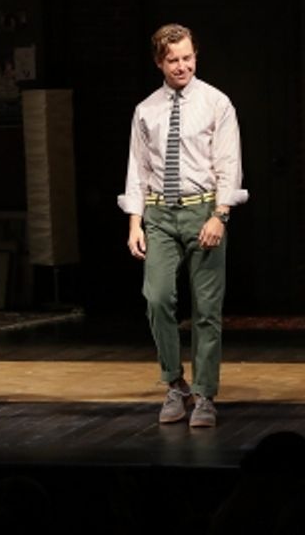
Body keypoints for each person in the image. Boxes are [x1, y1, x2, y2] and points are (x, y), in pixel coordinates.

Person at [120, 23, 246, 428]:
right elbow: (137, 169)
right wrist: (134, 223)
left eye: (187, 57)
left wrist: (220, 214)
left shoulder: (216, 103)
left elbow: (228, 162)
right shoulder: (147, 109)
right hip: (159, 214)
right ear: (159, 61)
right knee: (157, 298)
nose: (181, 66)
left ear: (196, 55)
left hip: (202, 211)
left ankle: (206, 394)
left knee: (207, 309)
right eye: (173, 59)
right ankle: (175, 384)